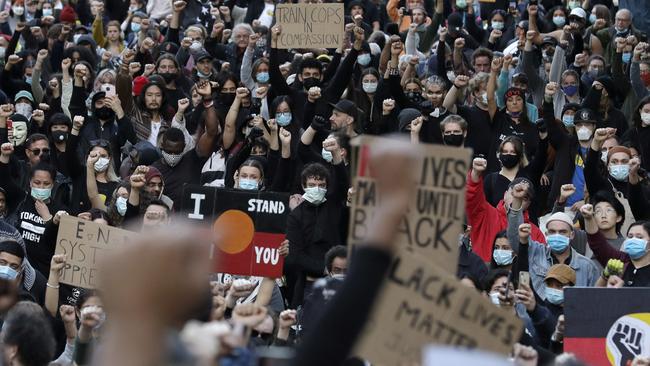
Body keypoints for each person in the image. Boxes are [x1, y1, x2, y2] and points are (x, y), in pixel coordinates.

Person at [466, 156, 546, 262]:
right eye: (514, 193)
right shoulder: (485, 213)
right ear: (505, 194)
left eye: (524, 197)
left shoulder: (535, 233)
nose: (518, 197)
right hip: (482, 275)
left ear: (529, 204)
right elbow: (471, 197)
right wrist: (475, 173)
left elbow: (539, 262)